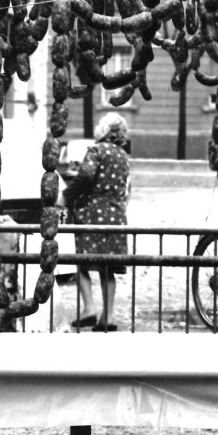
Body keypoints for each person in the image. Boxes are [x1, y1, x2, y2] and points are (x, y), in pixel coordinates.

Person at [63, 112, 131, 331]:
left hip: (93, 213)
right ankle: (108, 317)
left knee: (82, 261)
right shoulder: (123, 155)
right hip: (117, 215)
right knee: (107, 267)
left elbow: (85, 177)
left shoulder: (96, 150)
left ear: (104, 131)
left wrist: (65, 197)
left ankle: (89, 309)